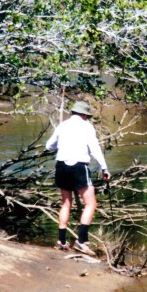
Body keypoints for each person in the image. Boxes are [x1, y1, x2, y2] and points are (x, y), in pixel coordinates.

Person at [45, 100, 110, 256]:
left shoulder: (62, 126)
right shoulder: (86, 126)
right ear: (83, 115)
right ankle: (81, 241)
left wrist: (59, 147)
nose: (87, 118)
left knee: (66, 203)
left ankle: (61, 241)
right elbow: (94, 148)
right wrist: (104, 168)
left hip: (61, 165)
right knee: (91, 203)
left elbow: (49, 146)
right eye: (86, 116)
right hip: (79, 166)